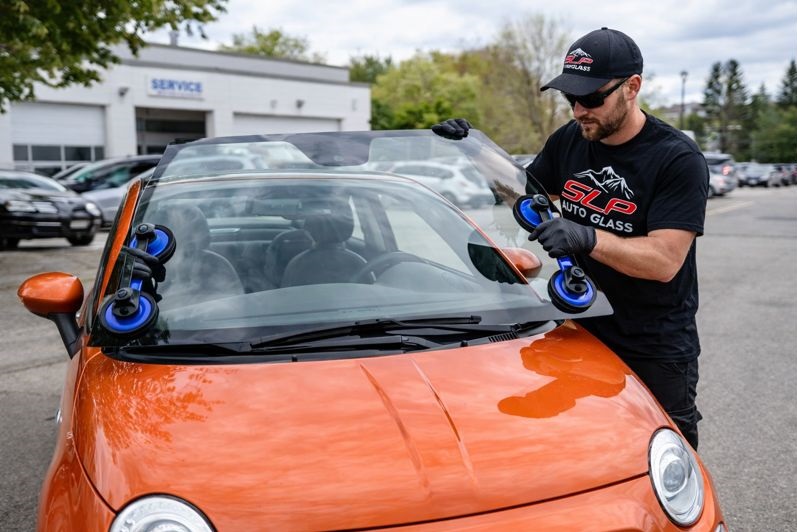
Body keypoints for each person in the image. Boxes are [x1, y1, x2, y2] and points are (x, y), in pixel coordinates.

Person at [432, 27, 708, 450]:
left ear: (632, 87)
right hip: (580, 328)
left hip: (654, 346)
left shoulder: (676, 159)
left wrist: (585, 236)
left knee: (661, 454)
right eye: (570, 98)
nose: (579, 110)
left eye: (592, 98)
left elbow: (663, 261)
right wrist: (473, 149)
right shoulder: (570, 139)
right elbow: (523, 193)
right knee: (587, 448)